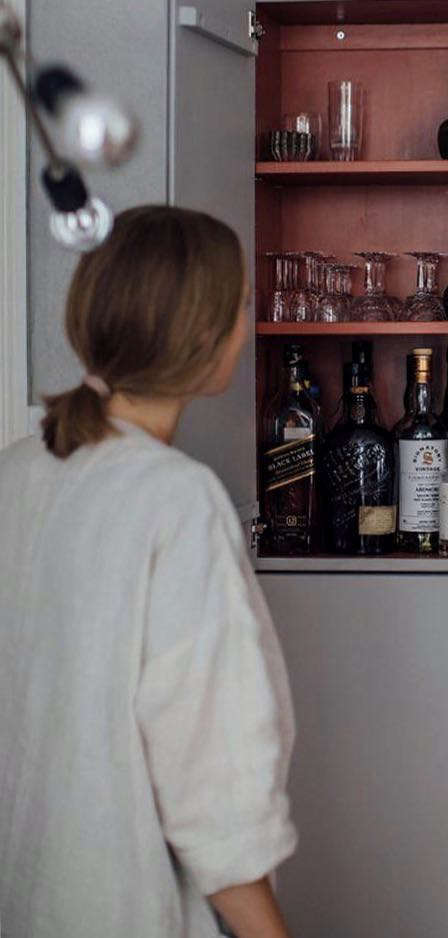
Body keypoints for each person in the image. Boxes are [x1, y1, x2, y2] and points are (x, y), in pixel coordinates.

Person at [0, 206, 297, 938]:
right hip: (125, 906)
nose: (248, 323)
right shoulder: (175, 499)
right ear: (205, 335)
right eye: (243, 306)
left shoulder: (17, 473)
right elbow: (211, 790)